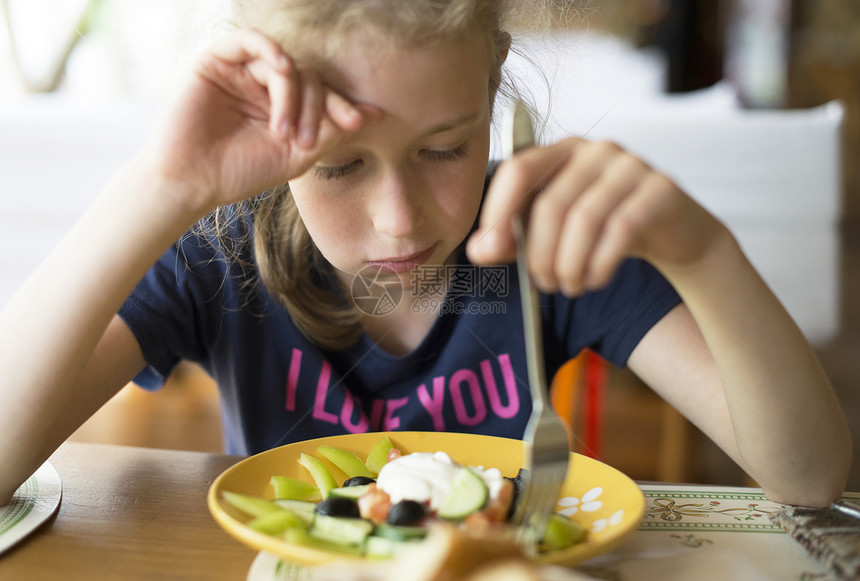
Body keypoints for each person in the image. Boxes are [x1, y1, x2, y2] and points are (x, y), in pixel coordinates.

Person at [0, 0, 851, 508]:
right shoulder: (219, 251)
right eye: (338, 166)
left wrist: (705, 252)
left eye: (445, 149)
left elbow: (808, 475)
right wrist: (160, 185)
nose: (399, 221)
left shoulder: (540, 231)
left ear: (492, 85)